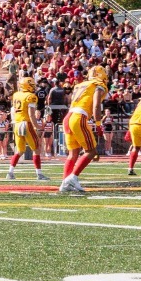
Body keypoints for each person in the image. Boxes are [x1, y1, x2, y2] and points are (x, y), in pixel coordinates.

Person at [57, 64, 107, 196]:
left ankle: (65, 183)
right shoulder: (98, 84)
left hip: (68, 117)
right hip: (79, 117)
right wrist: (98, 123)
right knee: (91, 151)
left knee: (73, 153)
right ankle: (73, 178)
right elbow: (96, 105)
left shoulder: (81, 84)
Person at [7, 76, 45, 179]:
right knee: (36, 149)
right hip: (26, 124)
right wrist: (37, 126)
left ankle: (10, 172)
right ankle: (39, 174)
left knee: (19, 151)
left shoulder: (16, 95)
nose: (34, 87)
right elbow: (31, 114)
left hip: (17, 123)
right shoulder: (30, 96)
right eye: (32, 85)